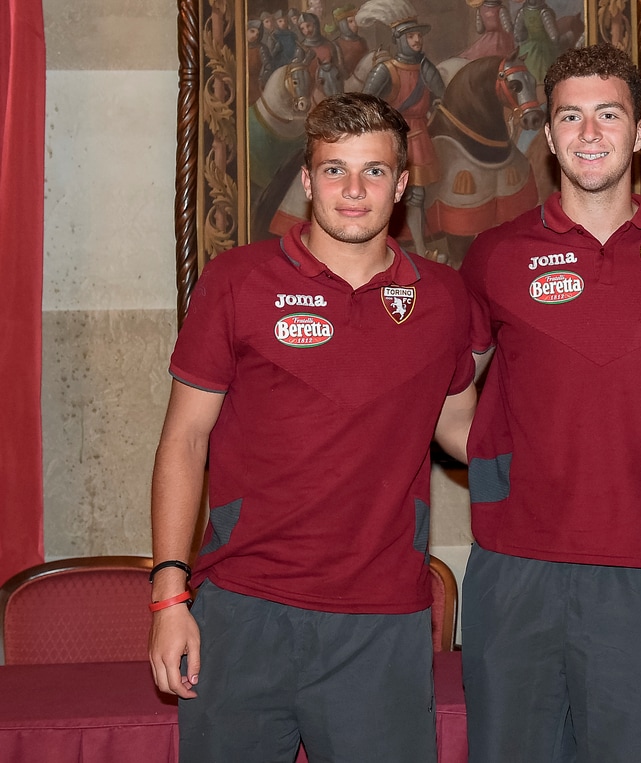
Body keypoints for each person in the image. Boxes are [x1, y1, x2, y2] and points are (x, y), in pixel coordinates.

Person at [148, 92, 476, 762]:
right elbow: (184, 440)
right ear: (306, 179)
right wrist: (169, 595)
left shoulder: (444, 298)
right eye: (335, 170)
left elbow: (465, 431)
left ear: (402, 184)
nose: (354, 190)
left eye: (374, 170)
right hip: (243, 609)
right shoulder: (237, 280)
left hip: (382, 622)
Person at [458, 43, 641, 763]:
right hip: (515, 570)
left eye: (609, 114)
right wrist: (496, 459)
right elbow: (447, 395)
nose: (589, 133)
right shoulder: (495, 254)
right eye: (570, 117)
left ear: (639, 132)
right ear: (548, 136)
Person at [361, 16, 446, 257]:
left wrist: (436, 104)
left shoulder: (427, 68)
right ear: (399, 40)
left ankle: (419, 249)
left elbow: (442, 96)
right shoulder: (385, 70)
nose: (417, 40)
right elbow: (364, 104)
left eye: (419, 35)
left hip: (419, 136)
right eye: (411, 36)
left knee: (417, 195)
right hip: (391, 136)